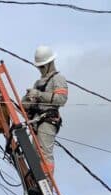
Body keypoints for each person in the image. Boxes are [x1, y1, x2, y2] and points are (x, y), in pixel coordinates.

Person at [21, 45, 68, 174]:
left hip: (48, 120)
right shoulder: (38, 83)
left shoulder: (58, 79)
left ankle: (47, 181)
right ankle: (37, 181)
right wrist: (28, 98)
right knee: (34, 154)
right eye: (39, 67)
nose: (40, 70)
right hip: (36, 121)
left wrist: (39, 95)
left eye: (42, 66)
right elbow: (28, 104)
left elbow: (61, 99)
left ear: (50, 63)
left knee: (44, 153)